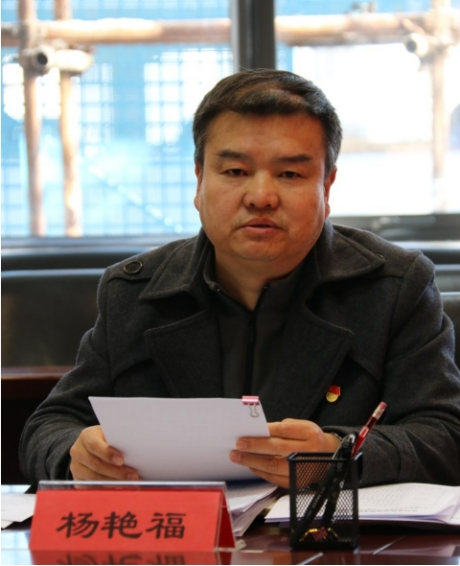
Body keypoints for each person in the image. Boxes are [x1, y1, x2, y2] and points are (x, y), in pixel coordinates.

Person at [20, 69, 460, 488]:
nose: (261, 197)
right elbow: (50, 426)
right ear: (199, 181)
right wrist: (77, 455)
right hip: (182, 534)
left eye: (290, 174)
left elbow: (446, 435)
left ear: (326, 188)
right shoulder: (134, 294)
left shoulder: (394, 288)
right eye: (235, 172)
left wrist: (338, 455)